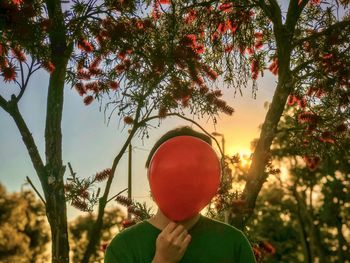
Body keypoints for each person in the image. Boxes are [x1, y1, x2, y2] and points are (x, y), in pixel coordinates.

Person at [105, 126, 256, 263]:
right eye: (174, 169)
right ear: (153, 175)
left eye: (197, 170)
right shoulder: (123, 247)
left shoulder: (234, 243)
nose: (185, 179)